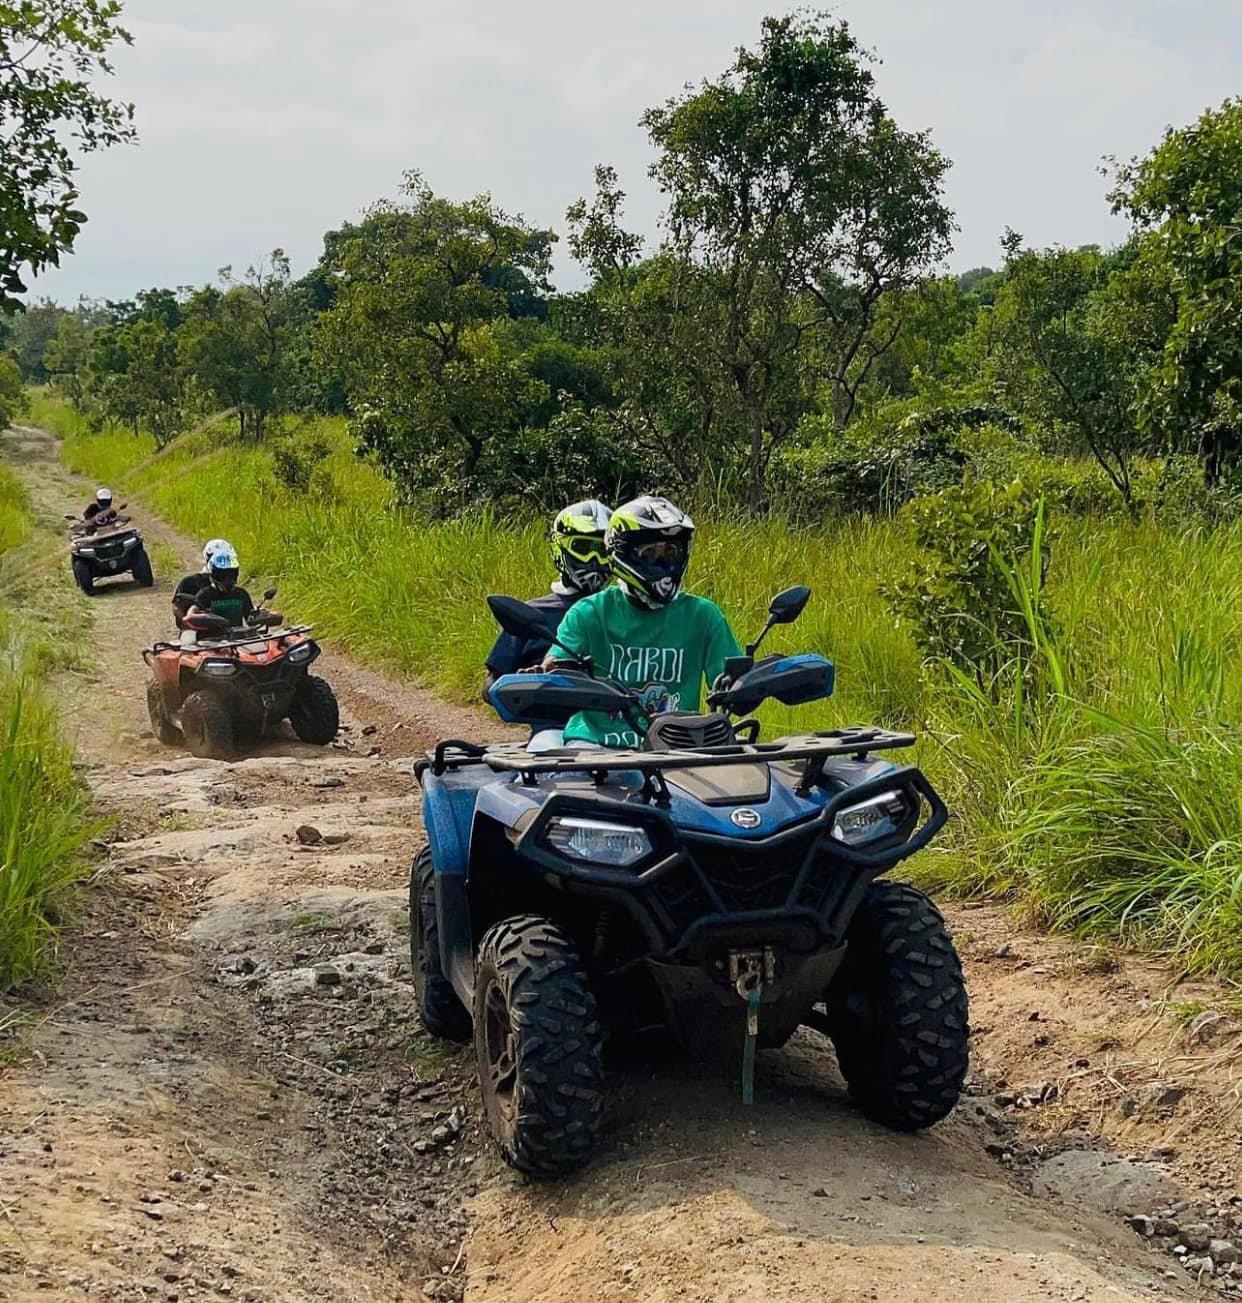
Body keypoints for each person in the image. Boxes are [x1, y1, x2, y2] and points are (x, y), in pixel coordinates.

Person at [545, 495, 741, 749]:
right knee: (568, 786)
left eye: (671, 552)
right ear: (622, 553)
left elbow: (732, 683)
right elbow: (555, 668)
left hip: (679, 746)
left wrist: (749, 684)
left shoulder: (703, 615)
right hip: (598, 746)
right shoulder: (589, 613)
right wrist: (552, 670)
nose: (663, 562)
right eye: (650, 553)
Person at [482, 499, 612, 701]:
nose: (594, 558)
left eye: (602, 550)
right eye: (583, 548)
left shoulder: (627, 612)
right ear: (560, 548)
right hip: (552, 727)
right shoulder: (531, 614)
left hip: (621, 726)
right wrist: (524, 684)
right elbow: (490, 686)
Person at [185, 545, 254, 628]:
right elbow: (190, 616)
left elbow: (251, 618)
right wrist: (207, 619)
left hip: (238, 638)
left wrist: (266, 617)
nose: (228, 580)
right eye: (223, 575)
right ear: (214, 575)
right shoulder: (205, 594)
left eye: (231, 574)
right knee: (189, 640)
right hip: (211, 638)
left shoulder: (241, 594)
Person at [173, 538, 232, 627]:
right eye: (220, 560)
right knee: (189, 640)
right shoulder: (190, 583)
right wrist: (188, 623)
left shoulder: (232, 584)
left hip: (233, 632)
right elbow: (177, 607)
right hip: (198, 632)